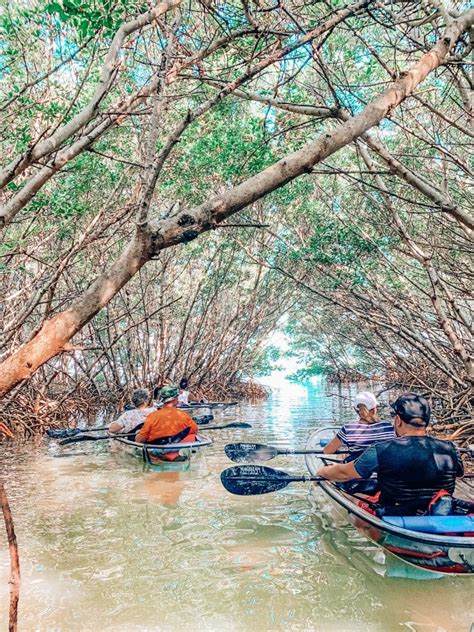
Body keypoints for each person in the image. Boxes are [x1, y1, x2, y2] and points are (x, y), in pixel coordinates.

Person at [317, 393, 467, 516]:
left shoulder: (380, 450)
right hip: (440, 509)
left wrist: (323, 471)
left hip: (394, 513)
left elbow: (344, 473)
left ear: (398, 421)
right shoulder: (450, 448)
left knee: (353, 497)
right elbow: (460, 474)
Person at [323, 391, 395, 460]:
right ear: (374, 409)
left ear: (355, 409)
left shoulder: (348, 429)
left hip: (356, 471)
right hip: (383, 471)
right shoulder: (387, 426)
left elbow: (327, 451)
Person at [135, 385, 198, 461]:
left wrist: (137, 433)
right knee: (192, 436)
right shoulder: (184, 415)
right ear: (175, 399)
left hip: (157, 450)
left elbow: (140, 440)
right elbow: (195, 431)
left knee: (138, 436)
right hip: (176, 448)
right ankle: (175, 455)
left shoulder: (152, 416)